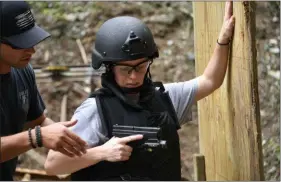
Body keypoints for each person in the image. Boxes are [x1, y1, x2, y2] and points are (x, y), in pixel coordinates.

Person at [44, 1, 235, 180]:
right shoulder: (95, 110)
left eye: (141, 67)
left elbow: (210, 81)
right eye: (126, 69)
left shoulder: (166, 98)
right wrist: (101, 152)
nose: (134, 76)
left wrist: (223, 41)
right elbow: (53, 164)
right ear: (109, 68)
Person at [0, 1, 88, 180]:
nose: (32, 50)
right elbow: (37, 133)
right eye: (20, 43)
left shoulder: (23, 71)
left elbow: (37, 121)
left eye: (31, 40)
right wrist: (35, 138)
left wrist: (73, 139)